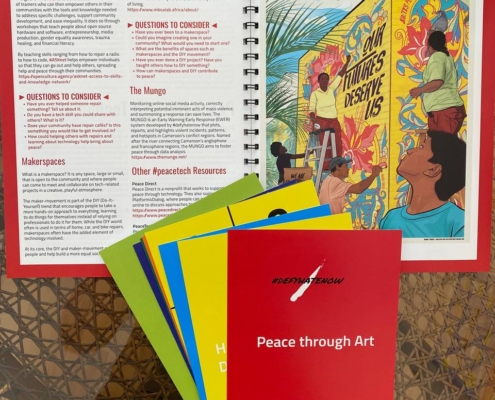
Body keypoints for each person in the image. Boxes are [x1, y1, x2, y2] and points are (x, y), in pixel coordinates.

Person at [380, 130, 466, 238]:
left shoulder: (459, 223)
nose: (409, 151)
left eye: (421, 147)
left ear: (433, 169)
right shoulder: (390, 218)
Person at [409, 31, 466, 134]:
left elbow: (437, 82)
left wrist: (419, 90)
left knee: (441, 143)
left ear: (430, 45)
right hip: (450, 110)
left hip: (443, 111)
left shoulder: (437, 57)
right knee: (444, 142)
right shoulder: (446, 56)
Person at [309, 54, 351, 168]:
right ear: (319, 81)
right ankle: (327, 165)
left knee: (337, 142)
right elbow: (311, 110)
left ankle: (338, 163)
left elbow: (340, 75)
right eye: (322, 79)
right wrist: (314, 122)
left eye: (326, 79)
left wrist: (347, 62)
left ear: (328, 81)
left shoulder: (331, 89)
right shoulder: (315, 94)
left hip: (333, 120)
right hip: (322, 120)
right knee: (325, 142)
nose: (325, 81)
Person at [319, 156, 383, 214]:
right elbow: (358, 189)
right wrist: (373, 175)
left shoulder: (328, 179)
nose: (348, 169)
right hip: (330, 221)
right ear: (337, 167)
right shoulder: (334, 182)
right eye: (346, 166)